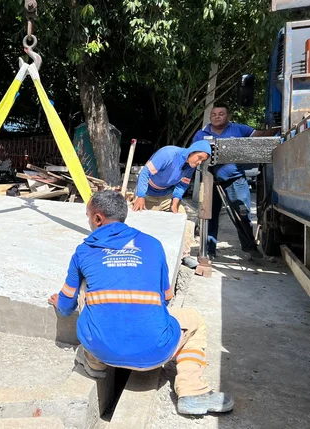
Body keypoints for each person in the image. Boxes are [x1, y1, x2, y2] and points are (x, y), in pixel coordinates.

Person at [49, 190, 233, 416]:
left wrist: (62, 302)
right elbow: (166, 298)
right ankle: (192, 391)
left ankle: (94, 362)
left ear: (98, 219)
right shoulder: (152, 245)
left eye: (88, 216)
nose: (88, 222)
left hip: (101, 347)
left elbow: (67, 307)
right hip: (155, 352)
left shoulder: (83, 251)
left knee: (86, 292)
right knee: (194, 319)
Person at [192, 104, 275, 259]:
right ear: (210, 117)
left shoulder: (239, 129)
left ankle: (250, 248)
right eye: (214, 114)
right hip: (210, 181)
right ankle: (209, 250)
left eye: (221, 113)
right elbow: (193, 154)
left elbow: (259, 136)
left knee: (243, 213)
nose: (217, 116)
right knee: (209, 215)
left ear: (228, 116)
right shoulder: (201, 134)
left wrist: (276, 130)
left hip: (236, 180)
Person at [132, 140, 212, 269]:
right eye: (199, 158)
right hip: (147, 194)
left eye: (203, 161)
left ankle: (184, 255)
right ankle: (136, 252)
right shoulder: (168, 154)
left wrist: (175, 202)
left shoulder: (190, 167)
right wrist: (140, 196)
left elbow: (182, 184)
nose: (199, 162)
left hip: (166, 196)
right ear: (192, 151)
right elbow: (144, 173)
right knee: (141, 221)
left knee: (182, 217)